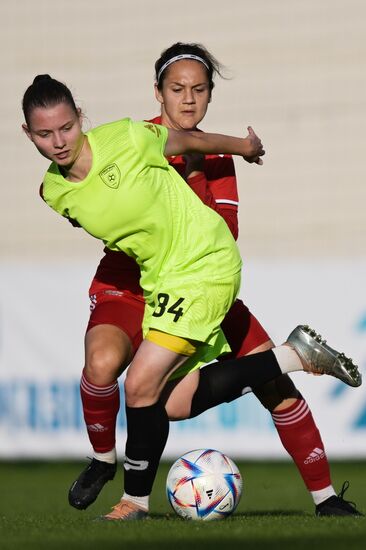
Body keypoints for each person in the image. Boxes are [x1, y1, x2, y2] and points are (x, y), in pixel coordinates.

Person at [22, 71, 361, 521]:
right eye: (45, 134)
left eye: (66, 127)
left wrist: (243, 147)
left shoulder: (128, 138)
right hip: (156, 279)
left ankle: (135, 503)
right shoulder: (55, 191)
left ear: (80, 118)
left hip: (200, 266)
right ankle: (293, 355)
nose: (59, 141)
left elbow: (188, 151)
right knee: (170, 402)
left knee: (142, 385)